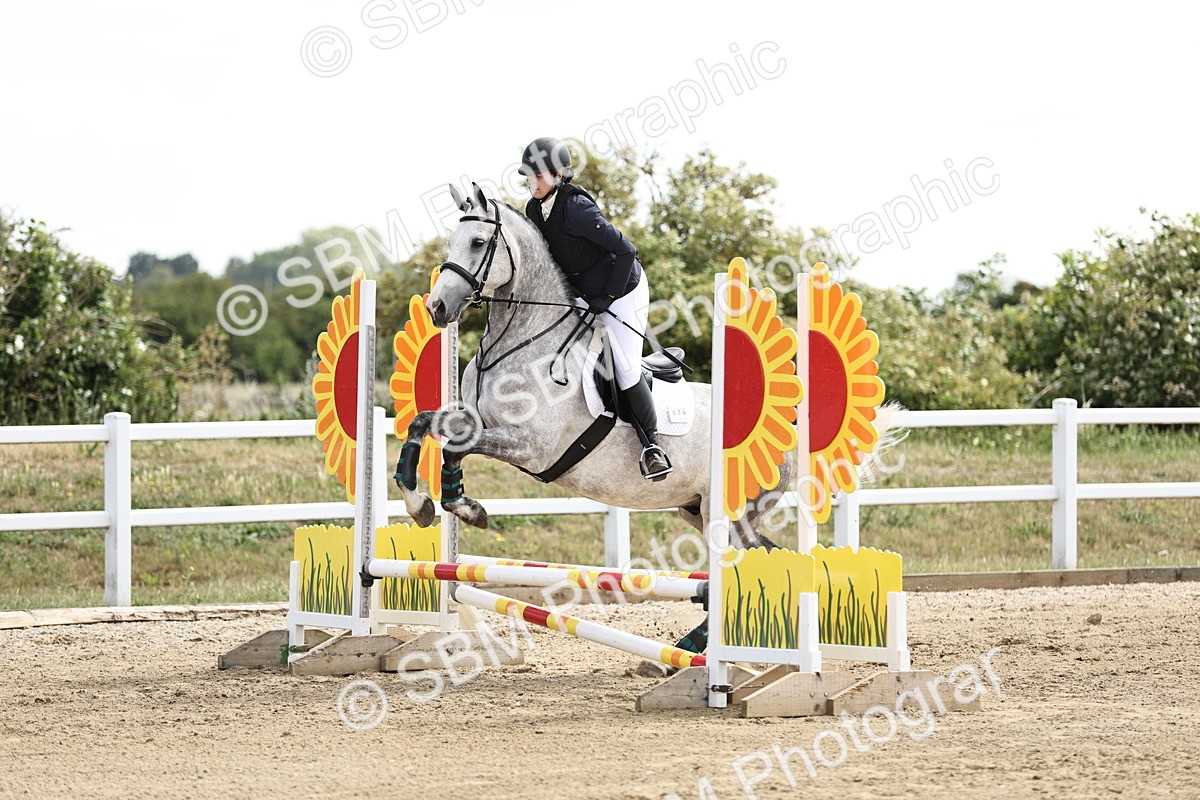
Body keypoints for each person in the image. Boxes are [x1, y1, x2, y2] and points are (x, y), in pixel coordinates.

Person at [518, 137, 672, 481]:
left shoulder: (577, 208)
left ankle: (653, 447)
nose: (532, 183)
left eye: (538, 176)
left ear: (559, 174)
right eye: (529, 176)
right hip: (584, 291)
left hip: (623, 288)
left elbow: (626, 252)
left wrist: (608, 298)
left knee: (625, 365)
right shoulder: (533, 210)